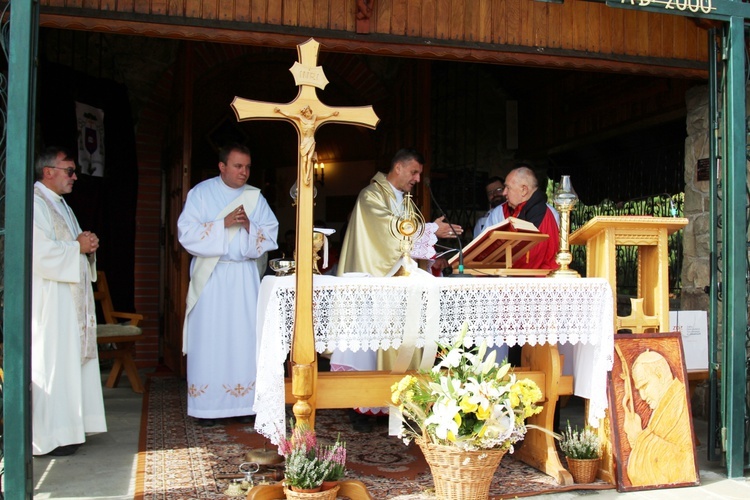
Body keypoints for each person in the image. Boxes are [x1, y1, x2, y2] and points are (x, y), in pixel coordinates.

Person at [332, 148, 461, 431]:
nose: (417, 178)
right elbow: (387, 232)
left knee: (399, 343)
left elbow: (406, 246)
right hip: (371, 285)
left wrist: (431, 256)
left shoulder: (405, 201)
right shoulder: (372, 195)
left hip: (399, 288)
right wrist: (429, 230)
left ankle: (397, 404)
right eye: (414, 172)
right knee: (368, 346)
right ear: (399, 168)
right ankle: (363, 407)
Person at [178, 142, 279, 427]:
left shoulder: (255, 198)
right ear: (222, 166)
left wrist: (249, 227)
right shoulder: (200, 194)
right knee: (210, 338)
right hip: (212, 277)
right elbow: (186, 234)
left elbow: (270, 235)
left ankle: (245, 403)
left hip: (243, 277)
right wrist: (221, 224)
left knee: (244, 337)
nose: (244, 172)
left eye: (247, 167)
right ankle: (207, 407)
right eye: (237, 166)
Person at [32, 146, 107, 456]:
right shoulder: (36, 205)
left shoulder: (60, 204)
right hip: (52, 301)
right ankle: (50, 436)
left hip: (70, 299)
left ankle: (71, 431)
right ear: (48, 172)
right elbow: (40, 253)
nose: (75, 176)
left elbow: (71, 246)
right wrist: (77, 246)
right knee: (53, 363)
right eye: (69, 170)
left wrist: (86, 247)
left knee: (69, 363)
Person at [624, 350, 696, 486]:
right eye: (639, 390)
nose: (643, 396)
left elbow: (684, 468)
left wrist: (640, 437)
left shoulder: (678, 402)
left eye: (644, 386)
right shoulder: (665, 403)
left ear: (660, 374)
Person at [485, 166, 559, 270]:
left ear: (524, 190)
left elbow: (535, 256)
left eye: (508, 187)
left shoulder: (545, 213)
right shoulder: (503, 212)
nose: (504, 193)